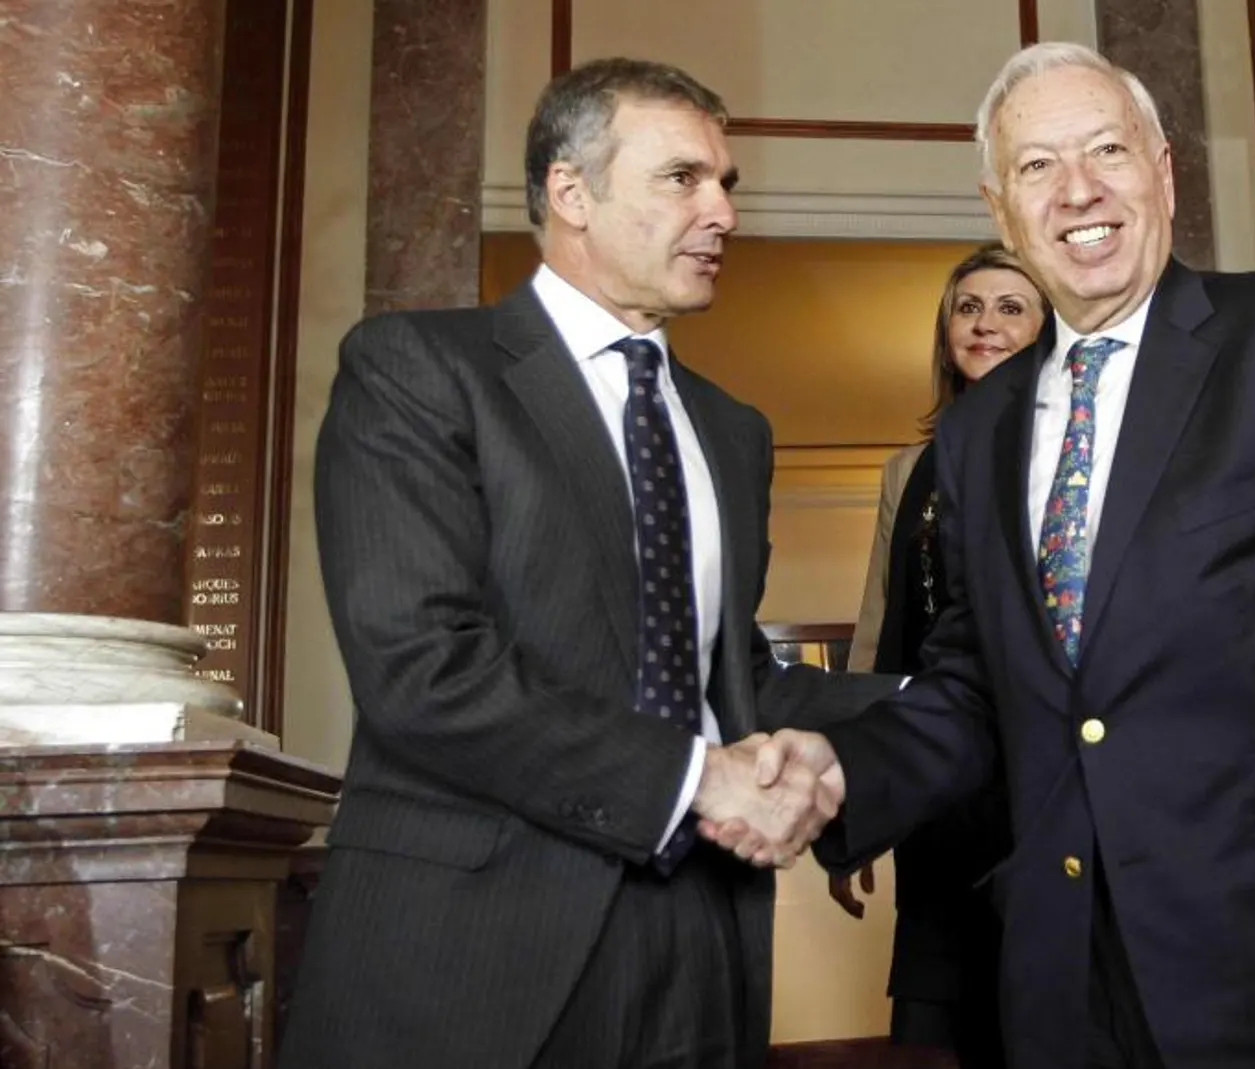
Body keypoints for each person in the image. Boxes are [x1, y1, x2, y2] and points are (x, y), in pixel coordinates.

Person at [720, 41, 1255, 1069]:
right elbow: (975, 684)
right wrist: (836, 768)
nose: (1078, 190)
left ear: (1162, 171)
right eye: (1037, 166)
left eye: (1105, 151)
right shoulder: (975, 431)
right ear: (1001, 209)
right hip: (1066, 973)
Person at [278, 58, 891, 1069]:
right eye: (683, 178)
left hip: (702, 927)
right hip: (477, 942)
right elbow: (422, 669)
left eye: (726, 184)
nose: (723, 213)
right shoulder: (418, 370)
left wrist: (938, 701)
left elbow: (731, 675)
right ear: (572, 192)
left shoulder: (732, 432)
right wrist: (699, 779)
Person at [837, 242, 1050, 1066]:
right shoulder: (905, 469)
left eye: (1009, 306)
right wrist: (860, 793)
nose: (986, 323)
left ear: (1044, 328)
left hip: (1044, 782)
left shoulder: (1078, 453)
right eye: (969, 307)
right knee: (948, 1021)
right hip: (940, 781)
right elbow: (878, 629)